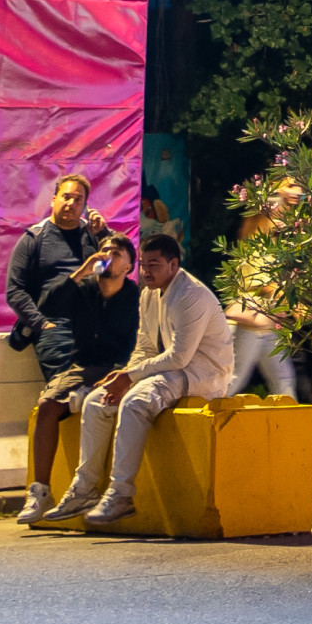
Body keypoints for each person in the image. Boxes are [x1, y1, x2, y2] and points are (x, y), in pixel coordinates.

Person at [31, 225, 234, 531]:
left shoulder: (190, 295)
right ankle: (83, 490)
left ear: (173, 265)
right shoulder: (149, 294)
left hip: (200, 373)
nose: (147, 271)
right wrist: (126, 374)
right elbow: (146, 346)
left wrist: (130, 377)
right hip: (167, 370)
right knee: (97, 402)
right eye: (144, 264)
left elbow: (180, 357)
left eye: (154, 264)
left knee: (136, 401)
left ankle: (121, 494)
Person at [17, 223, 143, 521]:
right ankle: (39, 493)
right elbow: (47, 306)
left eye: (117, 252)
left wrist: (123, 372)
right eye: (106, 250)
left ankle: (83, 401)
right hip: (82, 367)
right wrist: (81, 271)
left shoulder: (137, 297)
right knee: (47, 406)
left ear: (129, 265)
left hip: (120, 369)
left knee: (92, 398)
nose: (109, 255)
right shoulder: (84, 288)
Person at [2, 172, 107, 353]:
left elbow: (120, 269)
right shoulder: (33, 238)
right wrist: (42, 324)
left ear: (84, 207)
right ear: (53, 200)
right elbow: (15, 291)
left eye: (78, 200)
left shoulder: (93, 235)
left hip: (93, 328)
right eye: (66, 197)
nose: (71, 204)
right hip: (54, 332)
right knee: (67, 382)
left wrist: (104, 235)